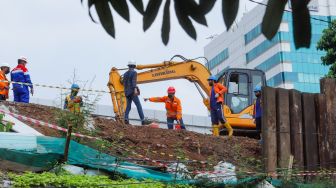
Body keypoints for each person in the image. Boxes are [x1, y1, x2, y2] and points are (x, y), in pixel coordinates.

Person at [123, 60, 146, 125]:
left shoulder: (125, 74)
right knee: (138, 105)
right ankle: (143, 120)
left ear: (129, 66)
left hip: (127, 92)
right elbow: (133, 81)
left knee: (128, 106)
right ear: (134, 66)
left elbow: (124, 83)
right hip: (132, 92)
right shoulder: (134, 72)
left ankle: (126, 118)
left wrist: (127, 90)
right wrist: (135, 89)